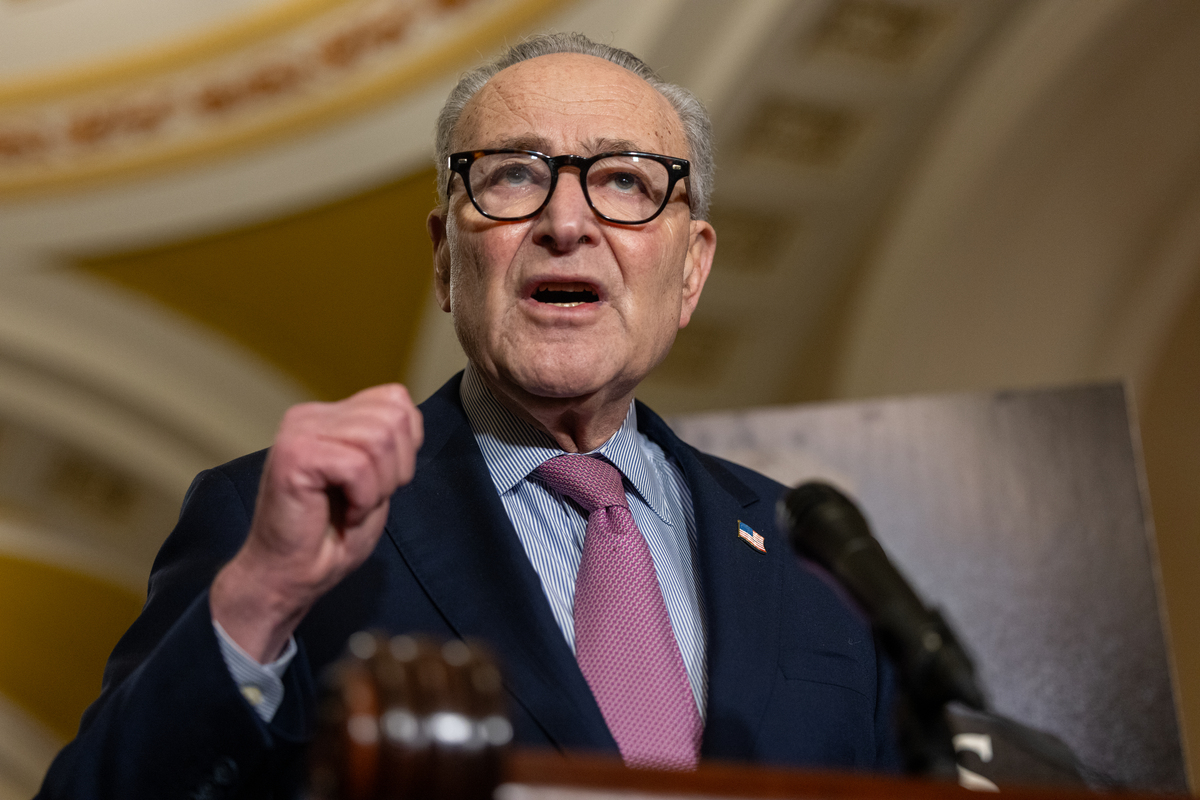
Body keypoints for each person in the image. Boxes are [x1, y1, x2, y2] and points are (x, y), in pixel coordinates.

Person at [37, 33, 897, 799]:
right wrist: (259, 598)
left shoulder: (812, 552)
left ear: (692, 271)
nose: (567, 222)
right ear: (447, 258)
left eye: (626, 181)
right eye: (513, 176)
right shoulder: (276, 521)